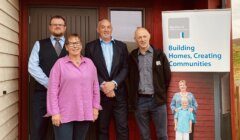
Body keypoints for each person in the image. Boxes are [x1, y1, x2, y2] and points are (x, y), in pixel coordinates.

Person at [46, 34, 101, 140]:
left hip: (84, 112)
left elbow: (95, 87)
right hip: (64, 113)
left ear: (81, 45)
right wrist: (55, 112)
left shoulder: (89, 63)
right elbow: (52, 90)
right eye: (71, 43)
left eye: (77, 43)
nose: (75, 46)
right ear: (66, 47)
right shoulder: (60, 64)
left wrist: (95, 108)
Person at [85, 19, 129, 140]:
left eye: (108, 27)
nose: (106, 29)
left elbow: (125, 68)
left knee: (122, 128)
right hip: (100, 95)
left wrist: (114, 84)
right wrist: (104, 85)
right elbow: (90, 69)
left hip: (119, 94)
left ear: (112, 29)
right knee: (101, 129)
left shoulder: (122, 46)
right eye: (103, 27)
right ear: (98, 30)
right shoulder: (90, 47)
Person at [28, 15, 67, 140]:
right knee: (38, 129)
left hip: (65, 95)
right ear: (50, 27)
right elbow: (32, 67)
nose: (57, 26)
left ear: (65, 28)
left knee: (63, 130)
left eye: (60, 24)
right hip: (42, 94)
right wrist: (50, 83)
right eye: (54, 24)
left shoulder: (72, 45)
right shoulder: (39, 44)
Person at [128, 27, 171, 140]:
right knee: (144, 136)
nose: (142, 39)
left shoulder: (159, 55)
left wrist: (160, 92)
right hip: (140, 102)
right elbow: (129, 79)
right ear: (136, 40)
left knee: (162, 135)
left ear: (149, 37)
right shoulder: (132, 56)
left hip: (157, 101)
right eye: (139, 37)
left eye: (144, 36)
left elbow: (167, 77)